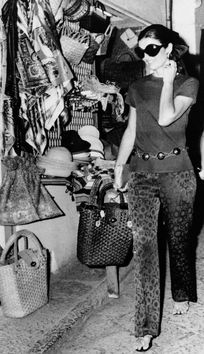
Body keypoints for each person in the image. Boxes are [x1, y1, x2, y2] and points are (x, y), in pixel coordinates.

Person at [114, 24, 199, 351]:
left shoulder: (188, 84)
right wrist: (119, 165)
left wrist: (166, 80)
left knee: (179, 240)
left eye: (152, 50)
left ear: (167, 50)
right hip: (142, 174)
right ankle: (145, 326)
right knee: (145, 247)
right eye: (142, 50)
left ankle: (182, 293)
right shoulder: (135, 87)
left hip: (177, 172)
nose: (145, 57)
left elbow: (165, 117)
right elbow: (131, 131)